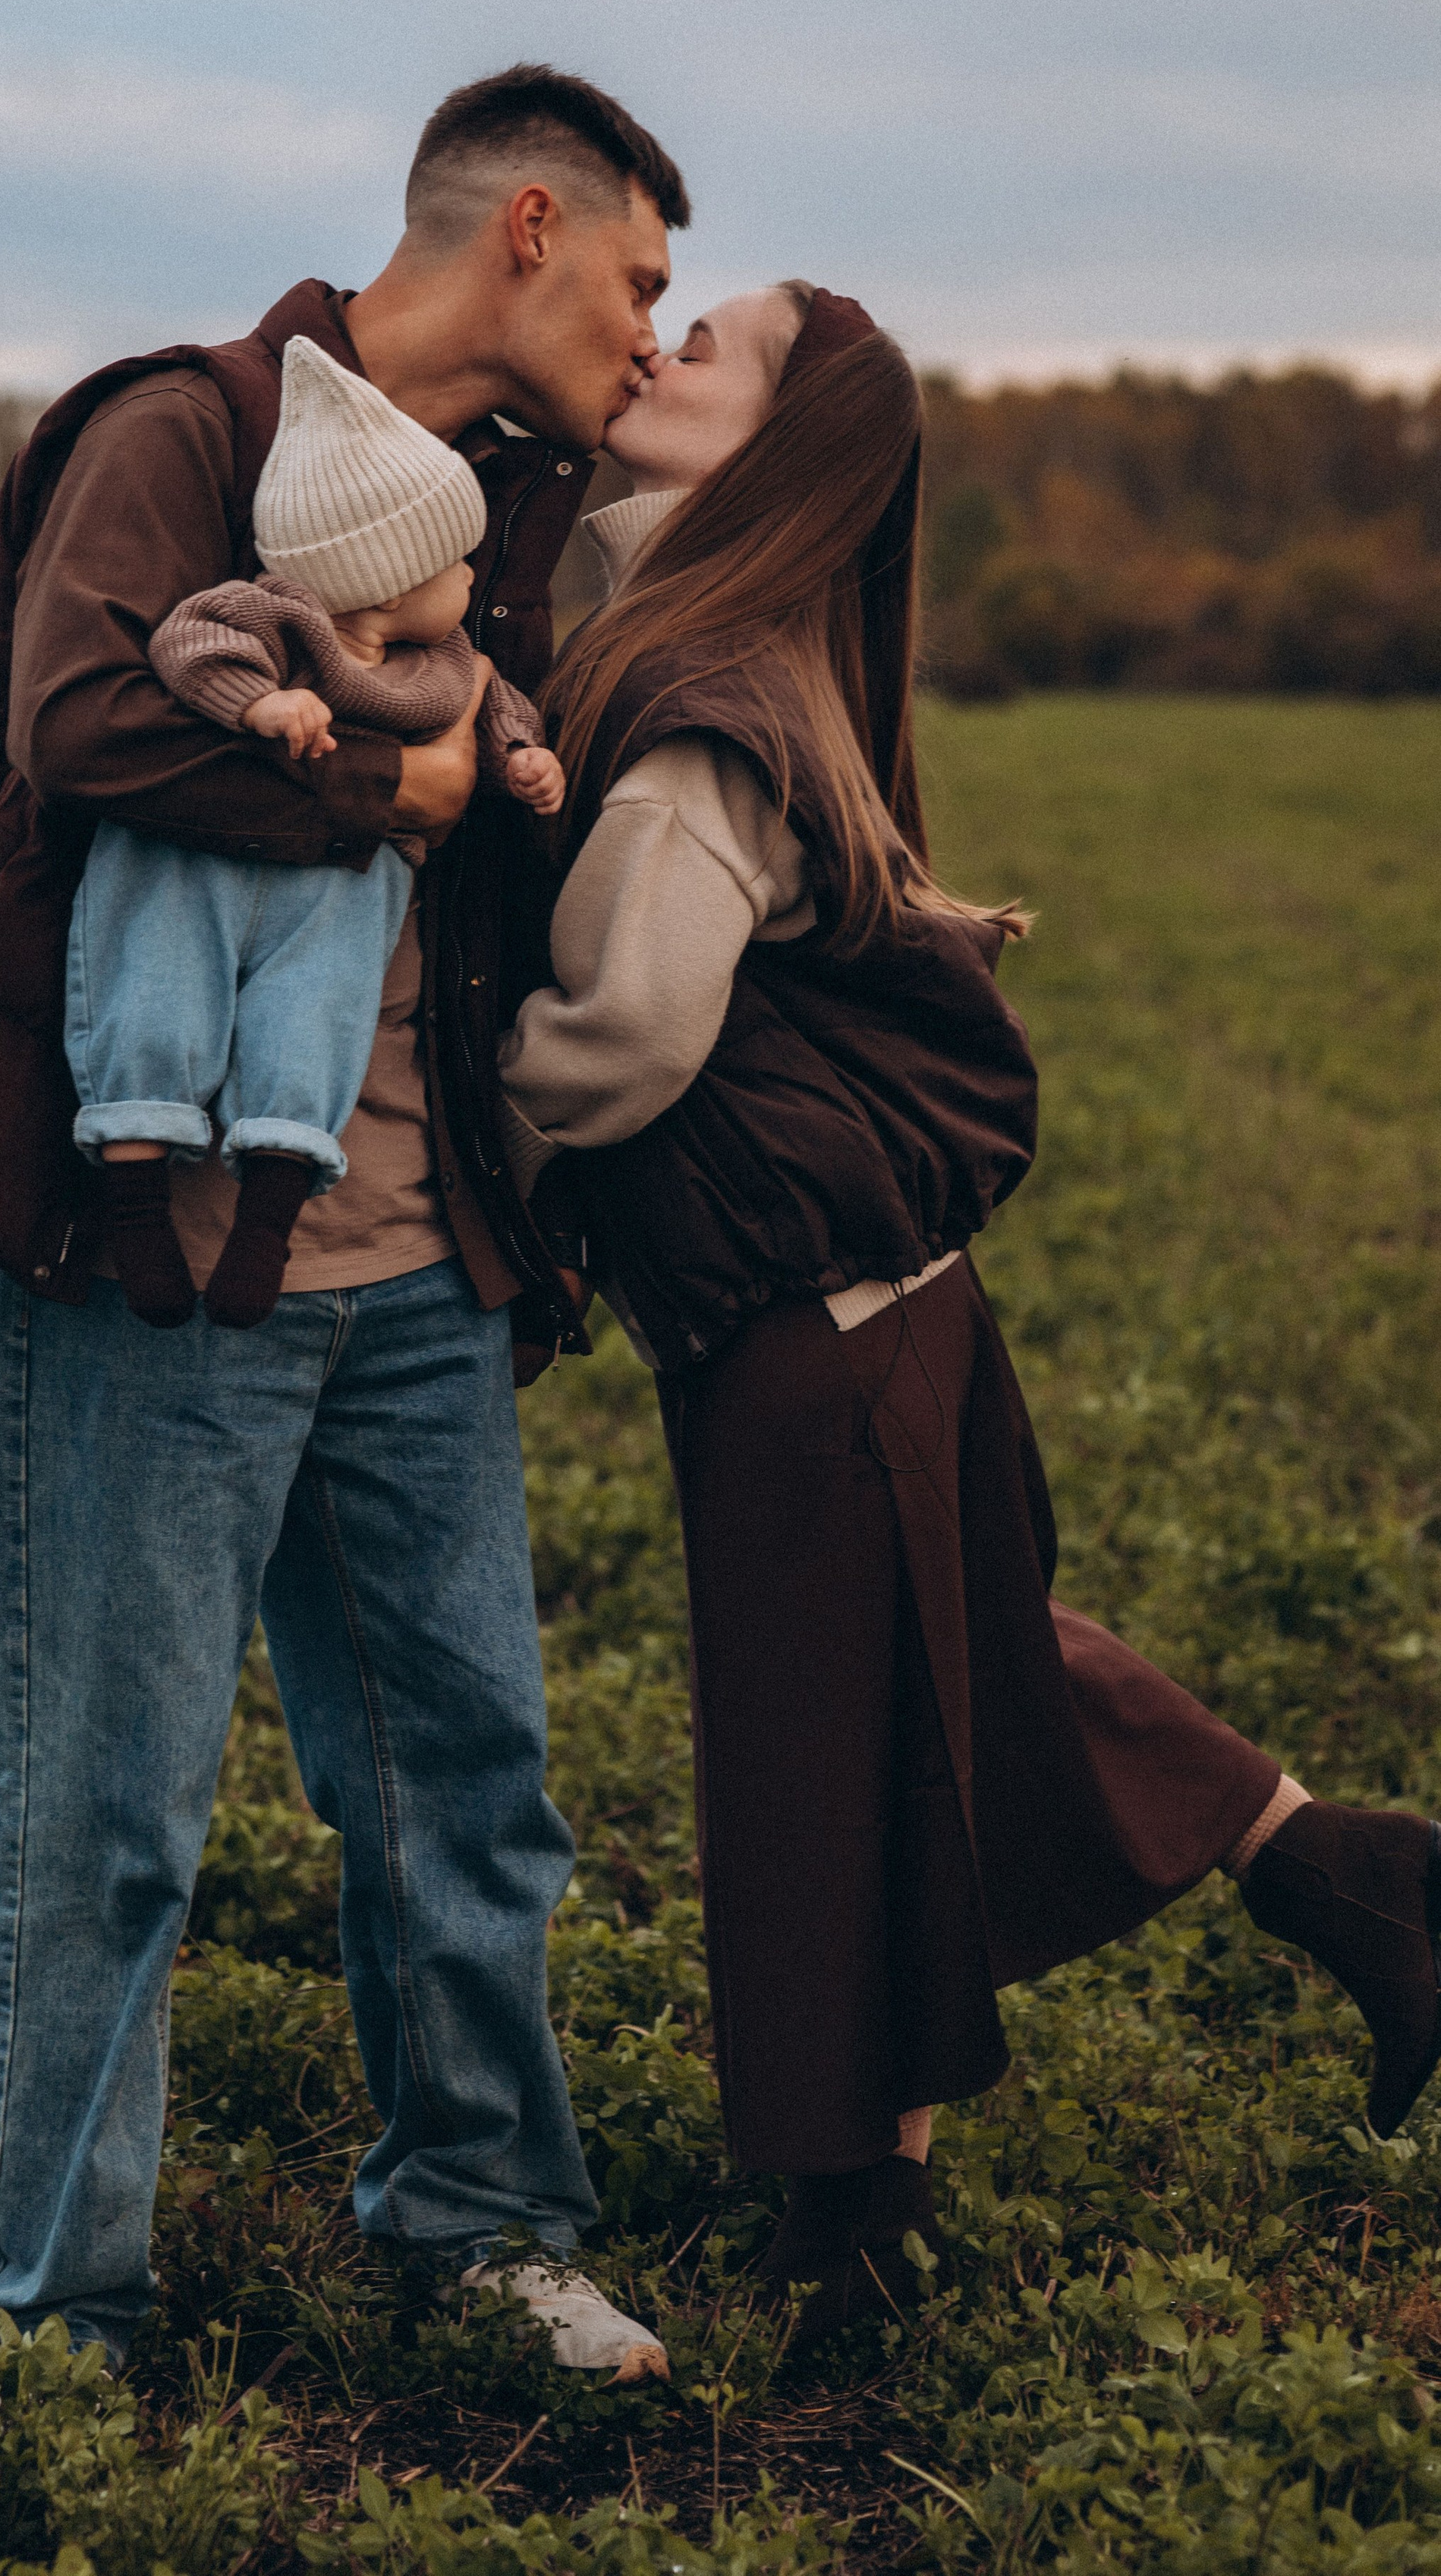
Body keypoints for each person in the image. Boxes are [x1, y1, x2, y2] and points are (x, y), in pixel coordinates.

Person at [0, 64, 694, 2377]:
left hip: (418, 1270)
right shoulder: (184, 433)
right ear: (528, 229)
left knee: (466, 1791)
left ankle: (481, 2226)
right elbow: (87, 724)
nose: (656, 331)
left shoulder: (511, 509)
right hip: (158, 1252)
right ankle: (39, 2321)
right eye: (644, 279)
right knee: (104, 1812)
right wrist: (388, 777)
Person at [499, 282, 1441, 2339]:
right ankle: (1342, 1877)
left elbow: (638, 1025)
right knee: (940, 1689)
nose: (658, 355)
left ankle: (847, 2239)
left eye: (707, 348)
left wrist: (492, 1137)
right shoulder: (750, 646)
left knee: (824, 1754)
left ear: (782, 448)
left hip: (812, 1333)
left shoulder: (705, 680)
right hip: (885, 1312)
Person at [69, 334, 562, 1334]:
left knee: (314, 1024)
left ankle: (267, 1222)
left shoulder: (449, 660)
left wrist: (523, 759)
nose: (473, 576)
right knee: (155, 995)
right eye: (453, 560)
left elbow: (499, 703)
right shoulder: (276, 613)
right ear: (383, 579)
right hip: (198, 866)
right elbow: (190, 645)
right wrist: (258, 706)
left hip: (349, 884)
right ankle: (137, 1207)